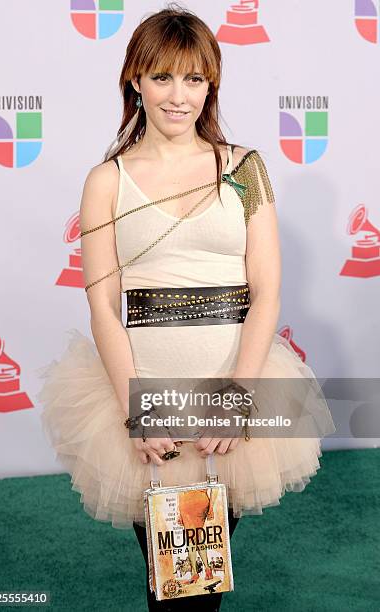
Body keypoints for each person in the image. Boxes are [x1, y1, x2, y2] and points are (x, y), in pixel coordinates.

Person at [36, 4, 336, 611]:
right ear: (135, 82)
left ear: (211, 85)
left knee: (206, 579)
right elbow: (103, 307)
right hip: (147, 399)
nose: (179, 96)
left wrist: (234, 401)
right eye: (163, 77)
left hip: (233, 389)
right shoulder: (106, 181)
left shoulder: (244, 168)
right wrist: (137, 411)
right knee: (173, 588)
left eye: (195, 79)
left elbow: (266, 293)